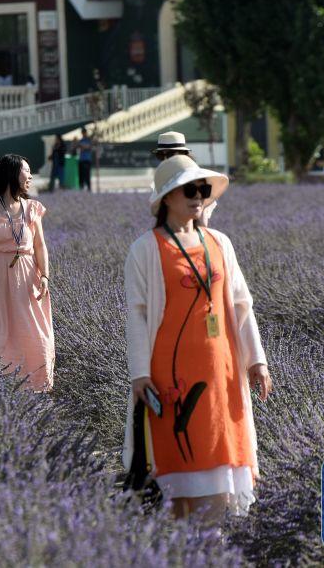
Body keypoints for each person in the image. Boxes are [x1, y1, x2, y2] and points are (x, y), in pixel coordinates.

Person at [122, 155, 273, 527]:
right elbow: (137, 315)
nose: (198, 196)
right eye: (190, 189)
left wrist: (257, 360)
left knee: (218, 457)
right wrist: (140, 374)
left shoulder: (220, 242)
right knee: (177, 469)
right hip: (170, 377)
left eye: (203, 190)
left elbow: (241, 304)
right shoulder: (145, 248)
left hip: (221, 374)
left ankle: (211, 545)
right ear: (168, 197)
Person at [0, 154, 54, 392]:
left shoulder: (32, 208)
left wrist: (45, 275)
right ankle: (2, 389)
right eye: (27, 171)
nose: (30, 176)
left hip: (28, 281)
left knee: (36, 336)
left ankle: (37, 387)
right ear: (13, 173)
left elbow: (40, 246)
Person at [153, 132, 215, 226]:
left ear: (183, 154)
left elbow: (202, 220)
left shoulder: (195, 177)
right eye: (161, 156)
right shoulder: (164, 177)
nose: (166, 160)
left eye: (170, 155)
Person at [76, 127, 94, 191]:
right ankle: (81, 186)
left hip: (87, 160)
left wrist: (82, 146)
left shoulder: (89, 140)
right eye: (82, 133)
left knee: (87, 174)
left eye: (84, 132)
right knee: (81, 174)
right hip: (81, 159)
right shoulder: (81, 140)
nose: (83, 134)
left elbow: (89, 147)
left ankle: (88, 187)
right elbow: (78, 147)